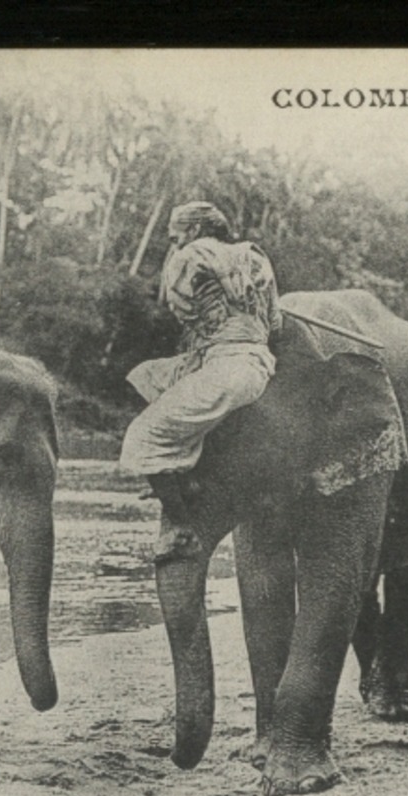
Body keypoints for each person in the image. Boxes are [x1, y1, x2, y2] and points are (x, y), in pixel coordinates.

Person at [120, 201, 282, 562]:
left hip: (226, 367)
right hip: (256, 362)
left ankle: (179, 527)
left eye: (175, 233)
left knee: (142, 437)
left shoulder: (190, 254)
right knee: (149, 376)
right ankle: (182, 470)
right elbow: (276, 324)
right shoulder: (256, 257)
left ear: (193, 230)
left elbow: (178, 306)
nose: (172, 240)